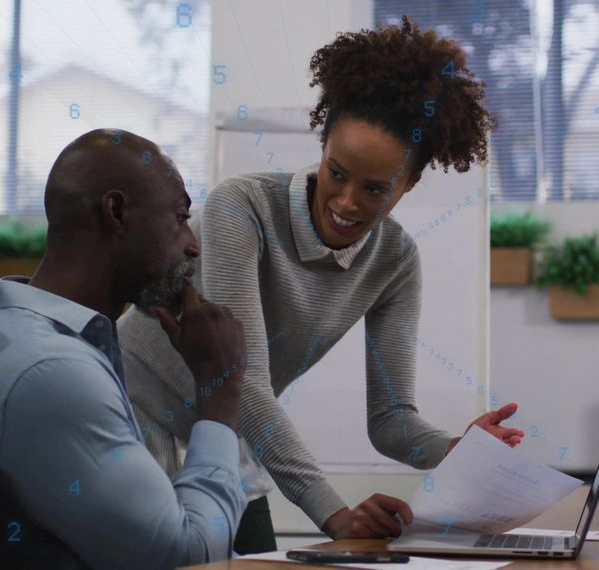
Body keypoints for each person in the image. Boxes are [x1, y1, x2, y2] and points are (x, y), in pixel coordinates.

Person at [118, 16, 522, 553]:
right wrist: (335, 515)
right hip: (130, 420)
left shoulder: (396, 261)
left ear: (410, 183)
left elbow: (391, 420)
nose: (347, 202)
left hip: (224, 439)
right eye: (337, 172)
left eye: (375, 189)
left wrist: (453, 449)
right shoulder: (242, 207)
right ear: (324, 144)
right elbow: (244, 381)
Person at [0, 129, 249, 569]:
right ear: (116, 213)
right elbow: (188, 560)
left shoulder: (18, 338)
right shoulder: (51, 371)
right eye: (180, 218)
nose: (192, 245)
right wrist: (220, 395)